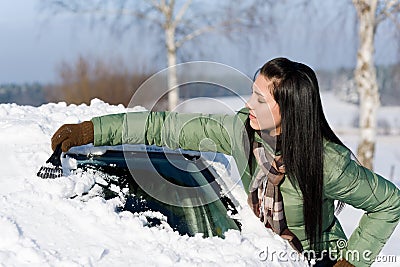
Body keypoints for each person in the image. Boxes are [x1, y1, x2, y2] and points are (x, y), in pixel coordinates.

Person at [51, 57, 400, 267]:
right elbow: (164, 127)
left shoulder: (328, 163)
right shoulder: (239, 130)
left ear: (289, 111)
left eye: (260, 99)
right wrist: (92, 130)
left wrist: (350, 262)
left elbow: (389, 202)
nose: (249, 104)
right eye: (252, 92)